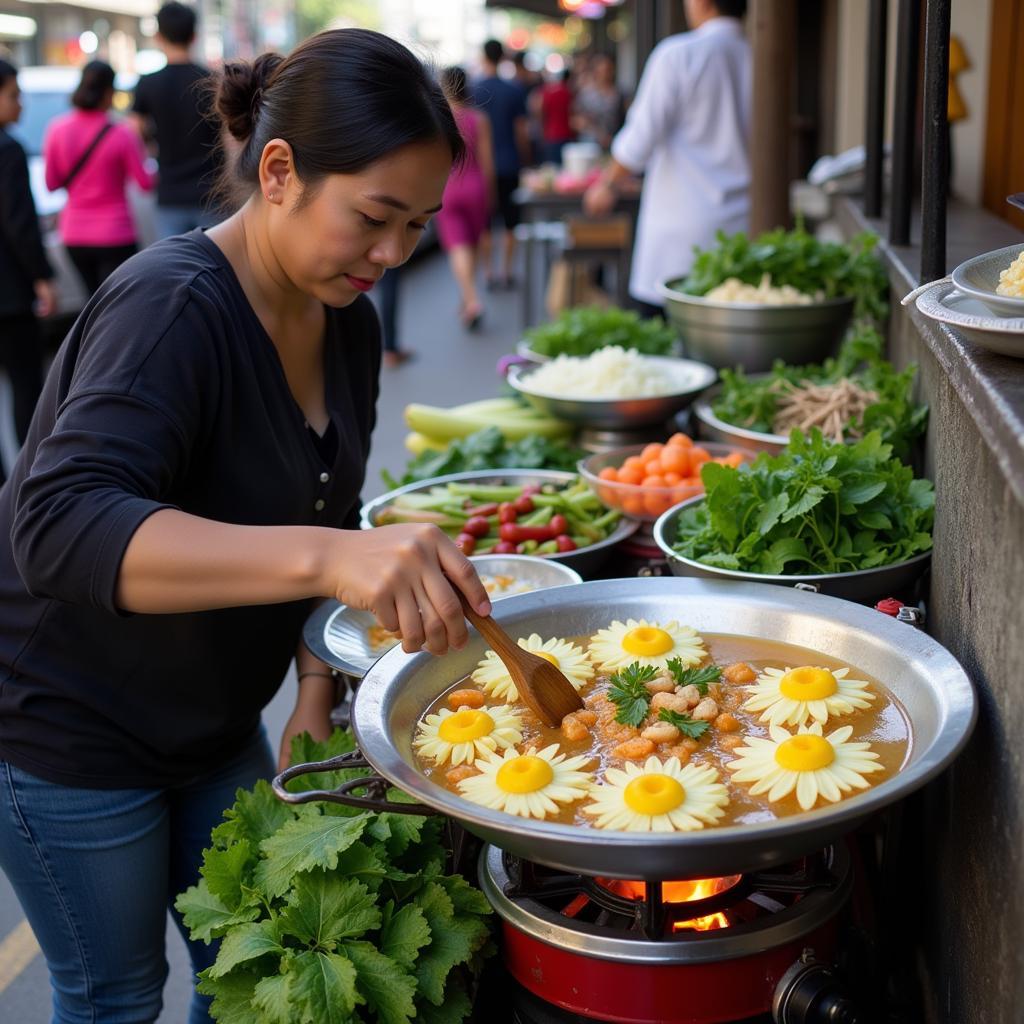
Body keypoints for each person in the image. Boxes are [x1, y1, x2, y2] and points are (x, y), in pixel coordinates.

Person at [0, 28, 490, 1024]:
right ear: (279, 172)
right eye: (375, 217)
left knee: (254, 985)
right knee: (115, 996)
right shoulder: (171, 307)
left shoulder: (345, 315)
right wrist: (336, 555)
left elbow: (327, 502)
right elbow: (56, 525)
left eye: (419, 225)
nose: (395, 255)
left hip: (217, 721)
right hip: (70, 729)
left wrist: (315, 685)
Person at [584, 0, 751, 315]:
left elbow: (639, 140)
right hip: (744, 229)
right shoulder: (760, 56)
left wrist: (606, 185)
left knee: (667, 345)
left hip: (680, 234)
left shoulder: (678, 54)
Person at [43, 60, 156, 296]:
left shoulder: (56, 130)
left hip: (74, 235)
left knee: (91, 304)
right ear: (108, 92)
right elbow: (145, 183)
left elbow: (51, 184)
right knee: (119, 305)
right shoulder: (122, 133)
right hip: (115, 234)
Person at [0, 59, 54, 485]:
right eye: (14, 94)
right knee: (25, 385)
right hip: (9, 291)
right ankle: (30, 478)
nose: (21, 104)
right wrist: (41, 275)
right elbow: (18, 223)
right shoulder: (8, 150)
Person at [132, 1, 220, 238]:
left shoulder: (147, 84)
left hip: (169, 190)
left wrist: (153, 146)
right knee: (214, 265)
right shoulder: (212, 81)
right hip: (210, 191)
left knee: (175, 267)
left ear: (159, 36)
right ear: (194, 36)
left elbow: (135, 130)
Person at [438, 65, 495, 329]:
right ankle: (469, 297)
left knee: (458, 245)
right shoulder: (479, 118)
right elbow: (487, 161)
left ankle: (470, 299)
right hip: (476, 187)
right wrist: (490, 194)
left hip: (448, 188)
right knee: (469, 244)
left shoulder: (439, 118)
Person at [474, 38, 529, 289]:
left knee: (485, 224)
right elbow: (521, 132)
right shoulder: (514, 89)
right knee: (510, 222)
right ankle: (507, 272)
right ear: (503, 57)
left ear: (484, 57)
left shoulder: (473, 90)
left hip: (479, 170)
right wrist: (526, 159)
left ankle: (488, 273)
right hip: (509, 164)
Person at [574, 53, 625, 151]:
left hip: (614, 144)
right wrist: (596, 132)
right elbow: (576, 121)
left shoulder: (619, 94)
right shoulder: (586, 94)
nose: (605, 74)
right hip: (589, 146)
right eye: (602, 70)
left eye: (608, 70)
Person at [537, 68, 574, 165]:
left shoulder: (548, 92)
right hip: (565, 134)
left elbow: (540, 111)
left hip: (550, 135)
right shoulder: (568, 93)